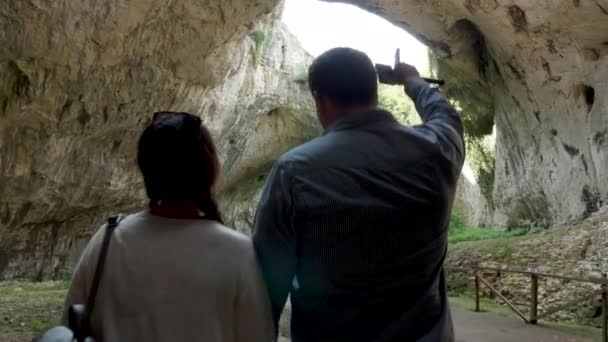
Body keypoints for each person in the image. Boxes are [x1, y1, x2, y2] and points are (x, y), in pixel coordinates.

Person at [253, 48, 464, 342]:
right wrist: (412, 81)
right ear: (373, 91)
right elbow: (446, 116)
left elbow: (268, 284)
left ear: (320, 98)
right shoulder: (437, 151)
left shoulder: (294, 171)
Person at [62, 112, 273, 342]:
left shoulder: (108, 239)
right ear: (209, 170)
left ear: (147, 169)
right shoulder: (238, 253)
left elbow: (68, 328)